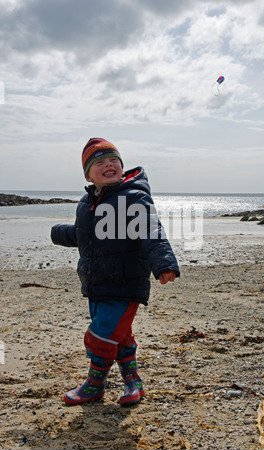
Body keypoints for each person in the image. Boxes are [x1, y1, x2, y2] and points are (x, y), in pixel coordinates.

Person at [51, 138, 180, 406]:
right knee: (119, 337)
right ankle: (133, 381)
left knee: (99, 335)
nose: (108, 165)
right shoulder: (86, 204)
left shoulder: (133, 197)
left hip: (125, 283)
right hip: (96, 284)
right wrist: (60, 233)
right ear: (88, 173)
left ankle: (94, 384)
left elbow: (150, 229)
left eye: (114, 161)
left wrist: (164, 263)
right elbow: (87, 235)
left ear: (122, 167)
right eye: (99, 162)